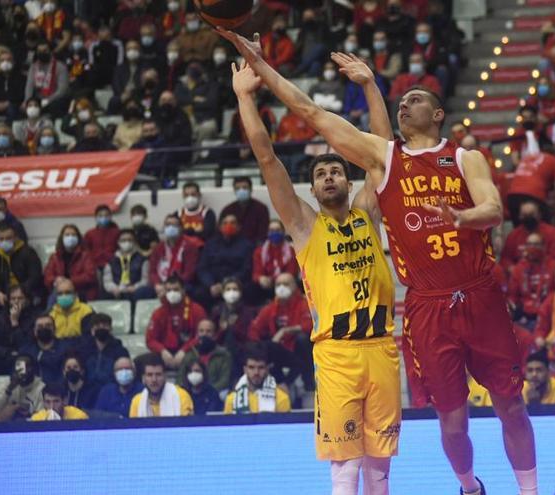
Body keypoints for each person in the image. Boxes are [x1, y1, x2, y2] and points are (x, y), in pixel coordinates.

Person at [223, 27, 537, 494]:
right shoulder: (336, 201)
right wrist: (258, 78)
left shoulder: (433, 173)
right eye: (321, 173)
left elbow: (484, 204)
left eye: (414, 100)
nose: (404, 105)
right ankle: (471, 487)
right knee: (409, 441)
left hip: (425, 322)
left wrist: (461, 216)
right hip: (382, 328)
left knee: (398, 459)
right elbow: (295, 130)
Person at [230, 52, 403, 493]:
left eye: (336, 172)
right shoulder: (305, 225)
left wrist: (369, 86)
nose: (329, 178)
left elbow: (383, 154)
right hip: (337, 355)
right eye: (321, 174)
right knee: (345, 466)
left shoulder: (368, 212)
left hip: (382, 347)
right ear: (312, 188)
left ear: (348, 182)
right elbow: (268, 159)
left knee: (379, 465)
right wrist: (245, 98)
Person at [0, 225, 42, 331]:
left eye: (8, 238)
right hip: (4, 293)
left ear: (15, 238)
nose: (4, 241)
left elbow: (35, 276)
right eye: (1, 239)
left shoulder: (28, 252)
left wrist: (20, 292)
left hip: (25, 291)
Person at [145, 275, 207, 369]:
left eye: (176, 289)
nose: (172, 293)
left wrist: (184, 350)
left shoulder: (197, 310)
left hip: (189, 351)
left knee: (190, 359)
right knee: (141, 361)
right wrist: (163, 351)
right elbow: (150, 339)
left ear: (183, 290)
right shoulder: (158, 313)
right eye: (169, 290)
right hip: (165, 352)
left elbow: (202, 336)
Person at [196, 215, 254, 306]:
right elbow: (202, 268)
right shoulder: (210, 244)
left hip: (236, 283)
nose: (229, 226)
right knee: (199, 293)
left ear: (239, 227)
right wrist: (210, 284)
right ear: (219, 227)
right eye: (225, 223)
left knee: (250, 291)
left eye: (233, 223)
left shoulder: (246, 245)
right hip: (213, 284)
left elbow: (246, 269)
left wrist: (225, 284)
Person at [0, 286, 38, 376]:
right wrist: (7, 352)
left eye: (20, 298)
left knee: (22, 369)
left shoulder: (35, 318)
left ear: (27, 300)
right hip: (6, 357)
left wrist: (15, 323)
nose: (16, 301)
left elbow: (26, 346)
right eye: (13, 298)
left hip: (26, 361)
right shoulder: (3, 316)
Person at [507, 233, 555, 328]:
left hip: (549, 316)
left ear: (543, 246)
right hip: (525, 317)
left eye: (536, 244)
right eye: (529, 244)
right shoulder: (519, 269)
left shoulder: (554, 266)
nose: (532, 247)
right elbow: (512, 297)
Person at [223, 345, 291, 413]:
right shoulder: (231, 400)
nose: (256, 373)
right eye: (251, 367)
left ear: (267, 369)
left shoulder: (281, 399)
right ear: (245, 369)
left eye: (261, 367)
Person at [500, 201, 555, 270]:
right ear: (519, 216)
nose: (528, 218)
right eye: (525, 215)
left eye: (531, 214)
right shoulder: (513, 235)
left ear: (539, 215)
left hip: (545, 272)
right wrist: (513, 269)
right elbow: (505, 259)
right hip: (520, 274)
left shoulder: (552, 233)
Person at [148, 215, 201, 298]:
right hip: (161, 283)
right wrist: (157, 284)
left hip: (181, 284)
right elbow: (152, 271)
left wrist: (171, 287)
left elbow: (189, 273)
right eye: (168, 225)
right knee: (142, 292)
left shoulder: (189, 246)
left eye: (174, 225)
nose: (171, 228)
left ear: (181, 228)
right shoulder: (158, 248)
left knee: (191, 291)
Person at [177, 318, 233, 395]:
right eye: (201, 331)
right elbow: (180, 378)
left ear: (214, 335)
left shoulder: (223, 355)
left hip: (215, 393)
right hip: (191, 393)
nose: (204, 334)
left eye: (208, 331)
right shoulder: (190, 354)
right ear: (197, 335)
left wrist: (208, 391)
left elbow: (225, 380)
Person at [43, 224, 98, 302]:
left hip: (81, 292)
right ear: (62, 238)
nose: (70, 237)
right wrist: (55, 280)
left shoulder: (86, 256)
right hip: (60, 291)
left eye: (73, 235)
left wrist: (69, 281)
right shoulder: (55, 257)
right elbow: (47, 276)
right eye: (67, 235)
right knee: (54, 298)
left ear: (78, 238)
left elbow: (90, 275)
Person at [129, 353, 194, 418]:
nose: (154, 379)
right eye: (149, 375)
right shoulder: (137, 401)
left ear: (165, 376)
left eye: (158, 374)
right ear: (143, 378)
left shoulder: (181, 397)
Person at [101, 229, 154, 302]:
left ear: (134, 242)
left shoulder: (143, 260)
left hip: (135, 291)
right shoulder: (111, 261)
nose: (127, 242)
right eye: (123, 240)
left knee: (145, 291)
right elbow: (107, 281)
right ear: (118, 242)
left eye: (129, 240)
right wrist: (114, 288)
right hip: (117, 290)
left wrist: (135, 287)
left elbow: (145, 280)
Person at [78, 313, 129, 390]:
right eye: (97, 326)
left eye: (105, 325)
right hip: (87, 391)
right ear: (92, 330)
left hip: (112, 390)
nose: (101, 328)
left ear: (110, 329)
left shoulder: (120, 351)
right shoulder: (84, 350)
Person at [251, 219, 300, 297]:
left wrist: (277, 280)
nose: (274, 233)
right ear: (267, 233)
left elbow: (292, 272)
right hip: (266, 286)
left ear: (283, 232)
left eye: (277, 230)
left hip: (284, 283)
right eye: (271, 230)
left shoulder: (291, 251)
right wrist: (261, 278)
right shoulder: (259, 251)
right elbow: (256, 273)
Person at [0, 354, 44, 421]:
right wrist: (9, 390)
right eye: (19, 366)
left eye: (27, 367)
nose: (23, 371)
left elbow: (42, 416)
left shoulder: (41, 387)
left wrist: (26, 412)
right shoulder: (9, 385)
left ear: (33, 369)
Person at [220, 177, 270, 244]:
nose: (241, 191)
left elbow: (263, 234)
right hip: (231, 246)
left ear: (251, 189)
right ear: (234, 191)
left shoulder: (261, 209)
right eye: (238, 188)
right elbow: (220, 231)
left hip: (253, 247)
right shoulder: (227, 210)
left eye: (245, 188)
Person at [20, 315, 66, 384]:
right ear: (35, 331)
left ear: (54, 329)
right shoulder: (25, 351)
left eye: (48, 325)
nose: (44, 328)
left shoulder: (65, 349)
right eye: (40, 326)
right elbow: (19, 375)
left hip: (58, 392)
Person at [48, 278, 94, 343]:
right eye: (60, 294)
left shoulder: (86, 310)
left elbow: (89, 337)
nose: (64, 296)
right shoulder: (51, 313)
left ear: (75, 294)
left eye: (67, 292)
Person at [83, 205, 120, 271]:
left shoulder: (117, 233)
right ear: (95, 217)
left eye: (106, 215)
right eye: (100, 216)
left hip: (113, 266)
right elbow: (85, 251)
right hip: (94, 267)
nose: (104, 218)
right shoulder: (90, 234)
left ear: (110, 217)